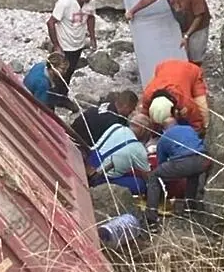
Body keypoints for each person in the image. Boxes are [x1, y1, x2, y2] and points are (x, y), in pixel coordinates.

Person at [144, 96, 210, 229]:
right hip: (204, 159)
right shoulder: (189, 129)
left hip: (183, 162)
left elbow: (161, 163)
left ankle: (151, 217)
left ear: (164, 127)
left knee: (155, 176)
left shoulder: (164, 139)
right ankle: (189, 208)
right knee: (193, 175)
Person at [125, 0, 210, 64]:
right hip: (182, 21)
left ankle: (195, 73)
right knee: (182, 52)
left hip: (198, 26)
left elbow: (199, 17)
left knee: (196, 56)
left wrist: (187, 36)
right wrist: (133, 11)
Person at [86, 112, 153, 195]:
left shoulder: (116, 126)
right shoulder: (139, 149)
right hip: (100, 178)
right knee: (141, 184)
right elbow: (147, 177)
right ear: (143, 131)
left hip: (89, 164)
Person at [139, 58, 209, 136]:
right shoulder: (147, 95)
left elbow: (196, 120)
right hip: (163, 67)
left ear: (174, 111)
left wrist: (199, 133)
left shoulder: (184, 101)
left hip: (191, 71)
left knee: (203, 110)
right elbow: (144, 115)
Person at [46, 0, 97, 87]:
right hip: (64, 45)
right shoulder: (65, 3)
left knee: (70, 71)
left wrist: (92, 38)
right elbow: (51, 23)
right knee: (58, 74)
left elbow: (91, 17)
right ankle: (52, 97)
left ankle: (63, 94)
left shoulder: (90, 1)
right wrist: (56, 46)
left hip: (78, 44)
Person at [71, 89, 138, 149]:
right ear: (125, 106)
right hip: (80, 141)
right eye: (132, 108)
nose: (133, 110)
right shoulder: (112, 122)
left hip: (75, 129)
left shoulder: (108, 104)